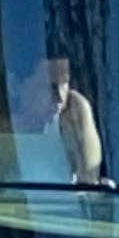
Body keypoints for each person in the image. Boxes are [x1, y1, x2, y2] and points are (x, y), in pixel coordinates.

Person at [7, 55, 106, 186]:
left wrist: (83, 112)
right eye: (50, 87)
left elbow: (89, 183)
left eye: (64, 84)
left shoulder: (67, 131)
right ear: (18, 86)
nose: (60, 98)